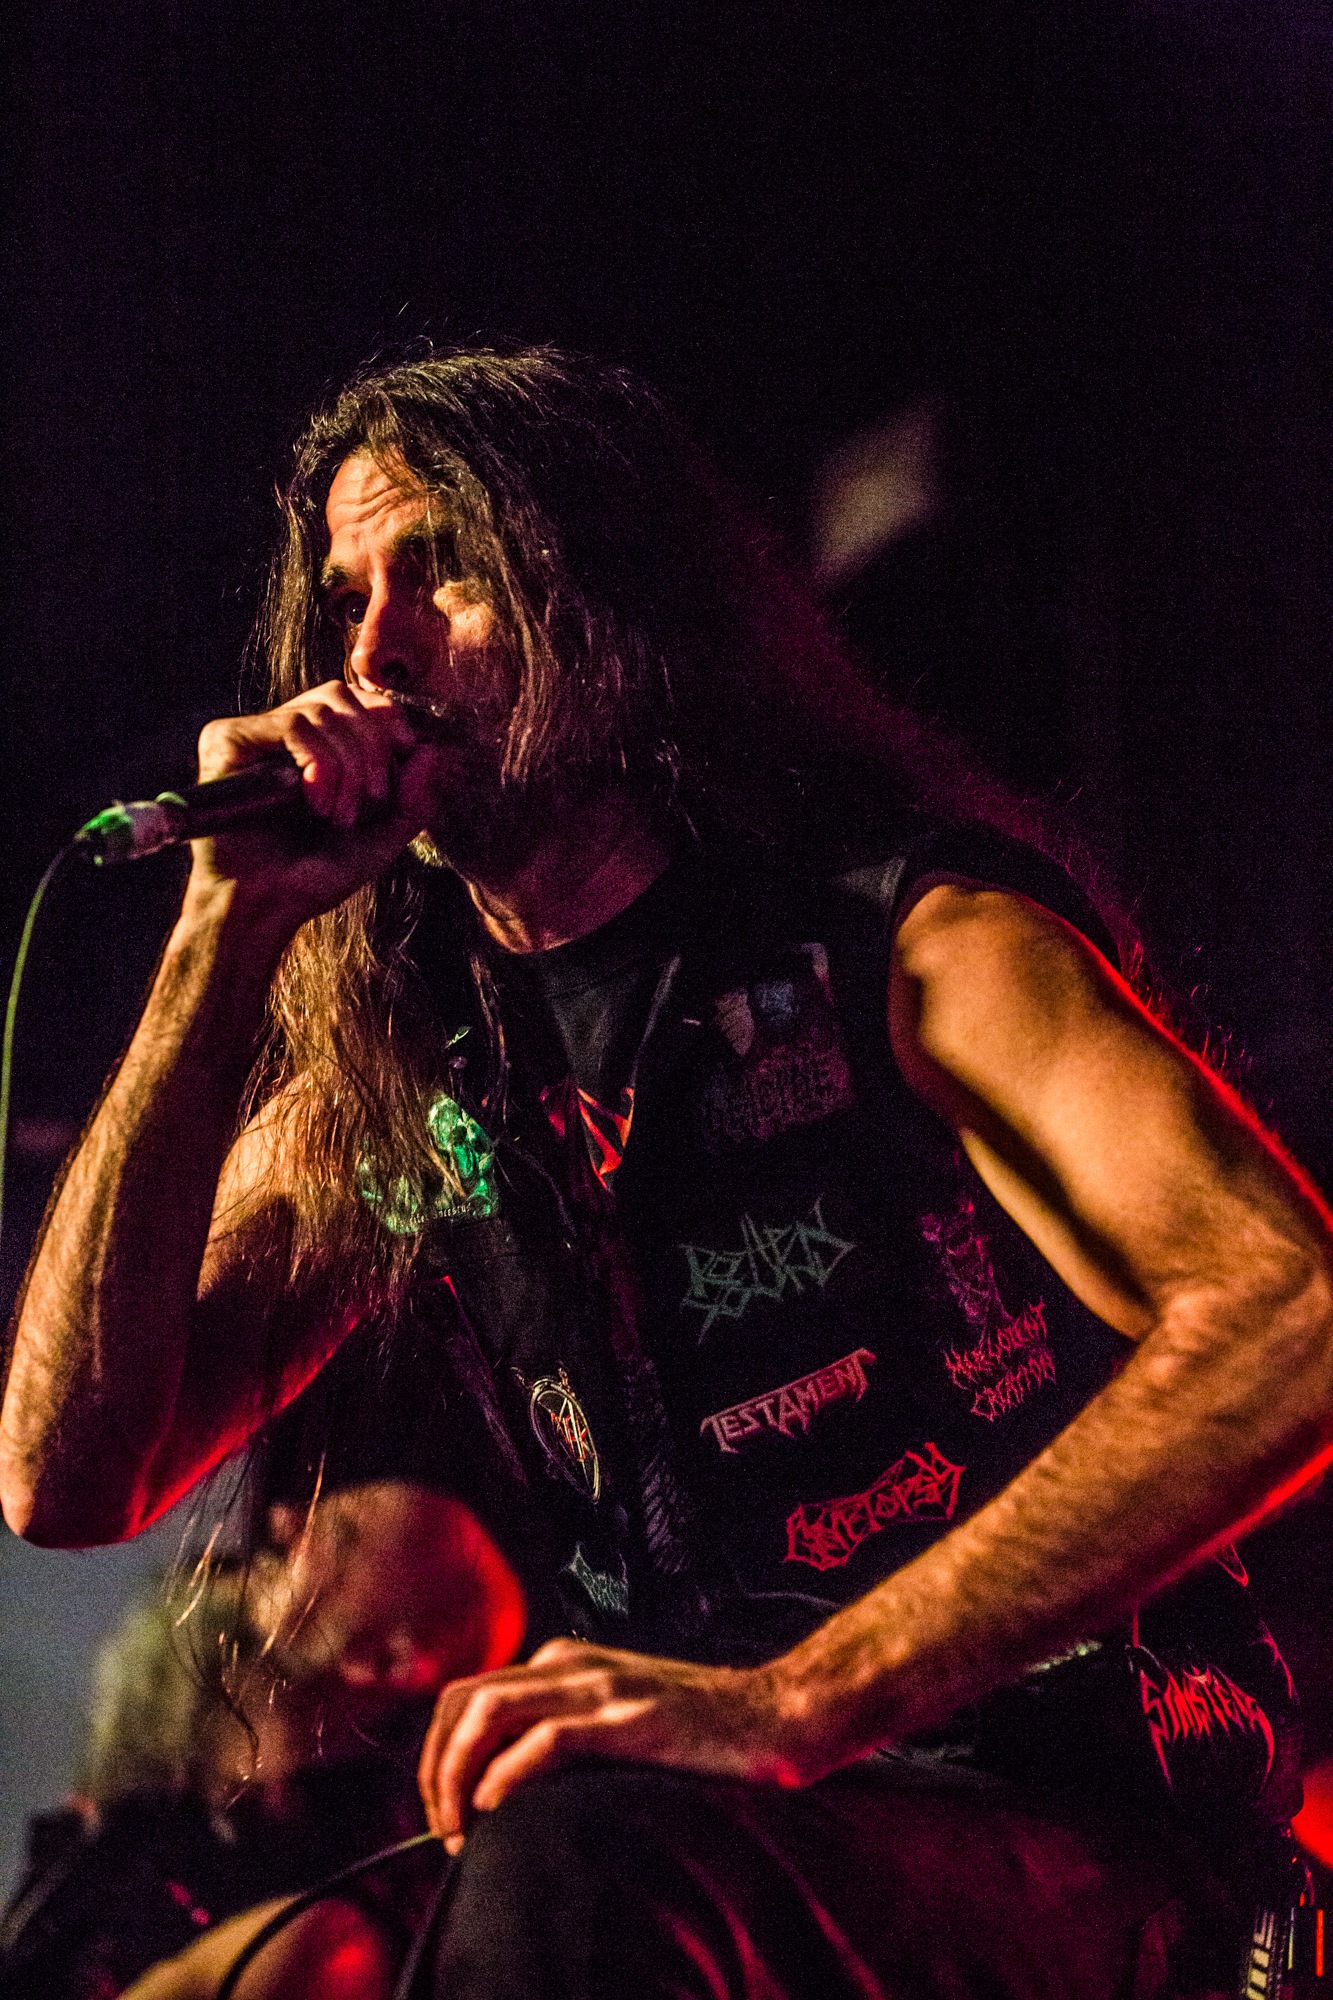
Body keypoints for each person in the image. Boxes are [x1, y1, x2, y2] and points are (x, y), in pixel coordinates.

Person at [3, 346, 1333, 1998]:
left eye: (443, 571)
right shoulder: (409, 1081)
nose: (375, 653)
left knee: (573, 1862)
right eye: (345, 600)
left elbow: (1291, 1316)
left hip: (1066, 1821)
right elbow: (67, 1480)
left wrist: (795, 1700)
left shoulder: (910, 948)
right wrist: (223, 935)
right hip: (708, 1839)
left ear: (607, 613)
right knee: (281, 1968)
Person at [0, 1480, 524, 1999]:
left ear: (390, 1661)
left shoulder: (329, 1932)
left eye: (341, 1537)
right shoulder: (153, 1801)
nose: (283, 1521)